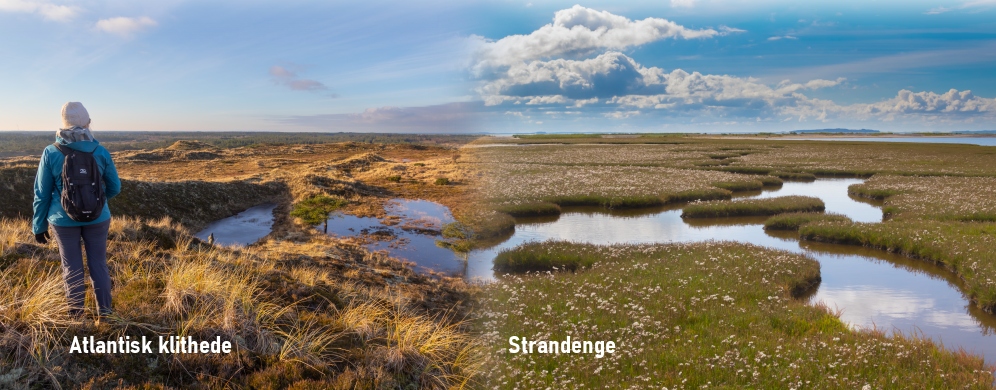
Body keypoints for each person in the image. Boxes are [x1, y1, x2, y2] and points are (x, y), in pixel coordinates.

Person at [32, 102, 121, 318]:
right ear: (87, 123)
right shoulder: (99, 151)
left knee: (71, 266)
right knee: (98, 264)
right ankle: (106, 316)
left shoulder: (51, 152)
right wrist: (97, 202)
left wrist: (39, 225)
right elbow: (115, 187)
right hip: (99, 218)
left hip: (62, 220)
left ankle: (76, 318)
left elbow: (41, 193)